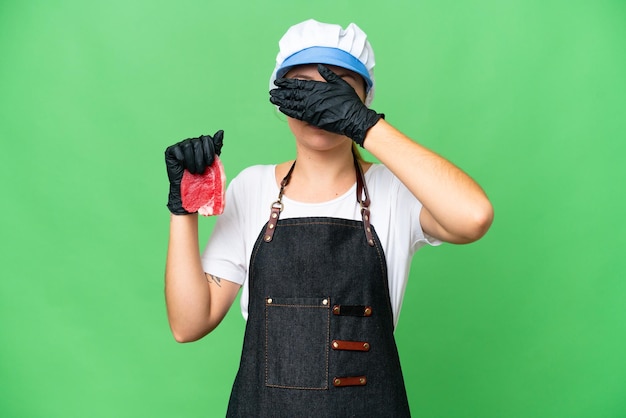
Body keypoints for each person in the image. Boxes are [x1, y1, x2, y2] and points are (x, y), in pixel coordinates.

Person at [164, 19, 494, 417]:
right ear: (281, 98)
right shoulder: (251, 189)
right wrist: (185, 209)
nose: (320, 102)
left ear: (363, 99)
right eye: (303, 87)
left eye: (336, 88)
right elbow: (188, 324)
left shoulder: (396, 190)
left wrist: (364, 126)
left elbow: (474, 216)